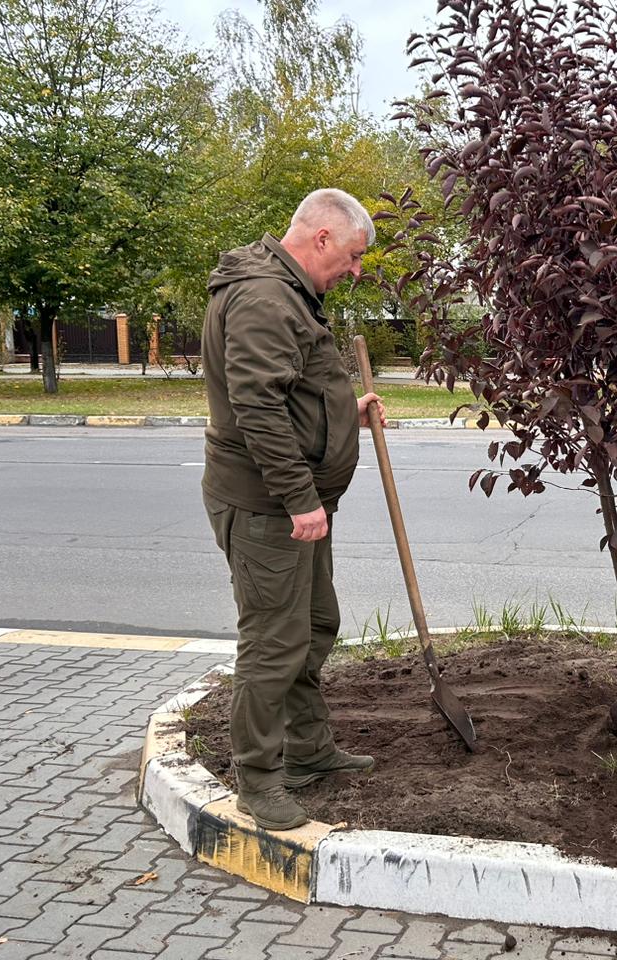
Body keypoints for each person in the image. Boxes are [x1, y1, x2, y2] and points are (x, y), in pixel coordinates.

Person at [201, 188, 384, 830]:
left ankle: (309, 752)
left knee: (314, 623)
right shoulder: (264, 298)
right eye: (355, 256)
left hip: (296, 504)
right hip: (269, 507)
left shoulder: (291, 293)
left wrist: (344, 414)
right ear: (324, 238)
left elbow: (291, 390)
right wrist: (299, 498)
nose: (357, 270)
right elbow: (257, 408)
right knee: (274, 643)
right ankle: (259, 778)